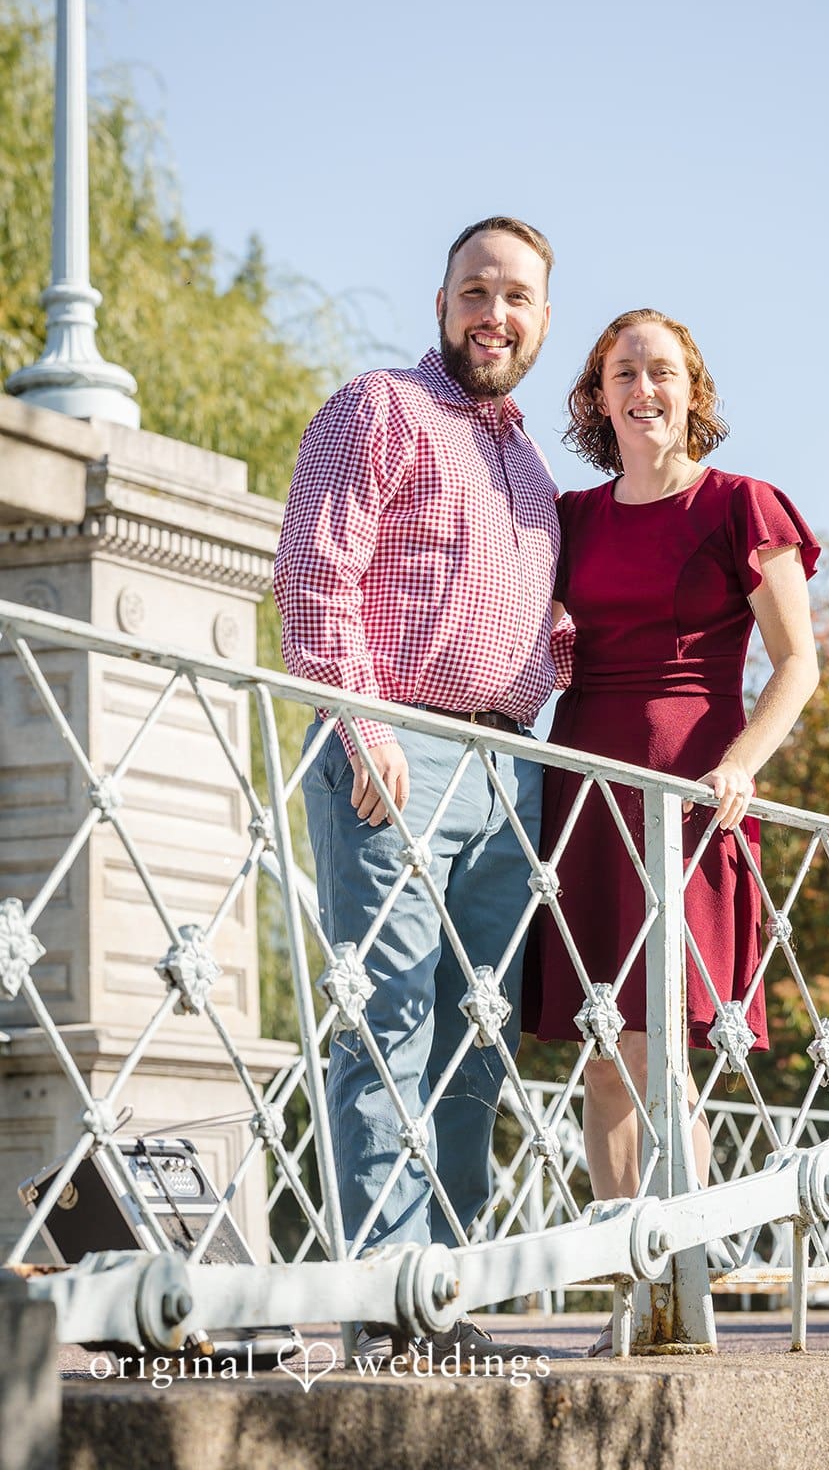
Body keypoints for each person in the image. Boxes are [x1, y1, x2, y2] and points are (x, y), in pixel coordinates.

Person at [274, 217, 565, 1363]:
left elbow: (520, 618)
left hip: (512, 771)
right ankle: (387, 1313)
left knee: (474, 1043)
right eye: (475, 291)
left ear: (541, 321)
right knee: (386, 1020)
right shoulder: (378, 408)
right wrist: (362, 724)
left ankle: (441, 1298)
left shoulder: (533, 472)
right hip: (395, 749)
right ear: (441, 303)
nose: (495, 313)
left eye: (517, 297)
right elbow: (314, 573)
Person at [524, 309, 820, 1352]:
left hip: (690, 794)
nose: (641, 388)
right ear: (596, 398)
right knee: (602, 1051)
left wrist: (740, 763)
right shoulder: (570, 517)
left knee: (660, 1052)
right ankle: (625, 1292)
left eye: (660, 370)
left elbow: (797, 663)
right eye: (621, 373)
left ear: (693, 390)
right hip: (582, 786)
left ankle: (681, 1290)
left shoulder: (741, 504)